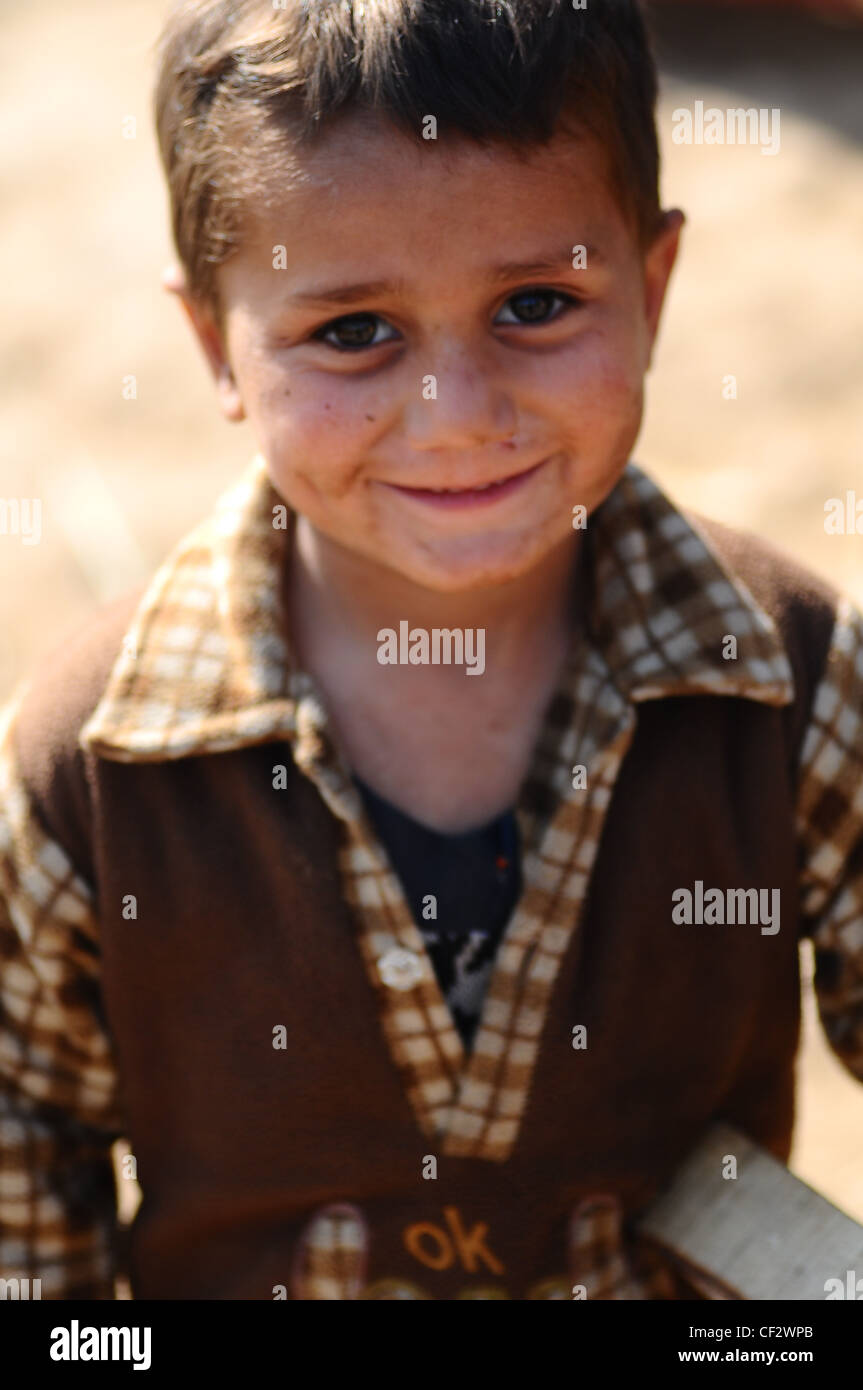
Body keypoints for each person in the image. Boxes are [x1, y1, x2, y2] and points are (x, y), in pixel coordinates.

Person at [1, 0, 861, 1301]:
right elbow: (23, 1177)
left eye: (537, 302)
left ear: (656, 289)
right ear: (214, 349)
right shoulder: (87, 772)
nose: (457, 416)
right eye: (353, 332)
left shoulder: (793, 677)